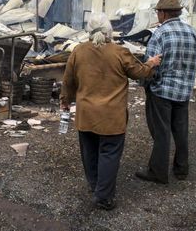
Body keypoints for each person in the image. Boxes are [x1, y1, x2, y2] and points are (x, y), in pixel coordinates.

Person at [60, 12, 161, 210]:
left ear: (89, 31)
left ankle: (95, 186)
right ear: (109, 31)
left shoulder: (78, 52)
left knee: (89, 153)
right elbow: (140, 72)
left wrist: (65, 102)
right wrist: (152, 63)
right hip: (111, 118)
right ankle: (104, 197)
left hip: (86, 115)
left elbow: (68, 81)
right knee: (109, 154)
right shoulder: (119, 52)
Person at [135, 0, 196, 184]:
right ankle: (181, 169)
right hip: (183, 92)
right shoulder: (193, 32)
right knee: (181, 131)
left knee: (161, 131)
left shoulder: (159, 34)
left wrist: (146, 84)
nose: (158, 15)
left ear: (164, 13)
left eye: (158, 12)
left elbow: (150, 66)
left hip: (162, 92)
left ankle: (158, 172)